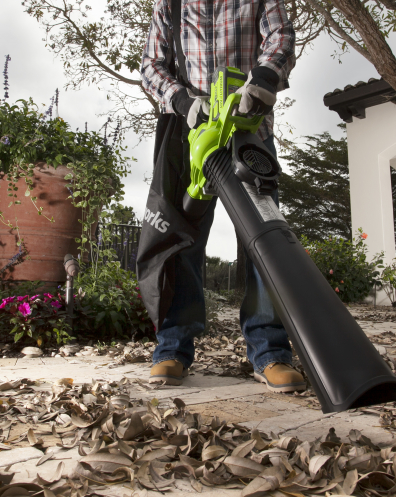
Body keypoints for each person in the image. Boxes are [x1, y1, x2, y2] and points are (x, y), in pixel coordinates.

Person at [138, 0, 305, 393]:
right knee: (182, 242)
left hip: (249, 136)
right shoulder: (170, 3)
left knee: (264, 244)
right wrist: (181, 99)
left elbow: (281, 37)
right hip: (191, 138)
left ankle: (270, 352)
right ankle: (172, 347)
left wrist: (263, 79)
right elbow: (151, 66)